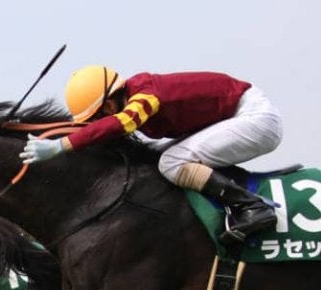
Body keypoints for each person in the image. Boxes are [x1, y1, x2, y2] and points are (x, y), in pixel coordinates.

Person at [20, 65, 283, 244]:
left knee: (172, 162)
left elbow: (123, 123)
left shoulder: (145, 96)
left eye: (97, 117)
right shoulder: (136, 93)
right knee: (153, 161)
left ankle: (252, 207)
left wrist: (62, 145)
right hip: (232, 117)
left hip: (255, 118)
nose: (97, 123)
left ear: (109, 104)